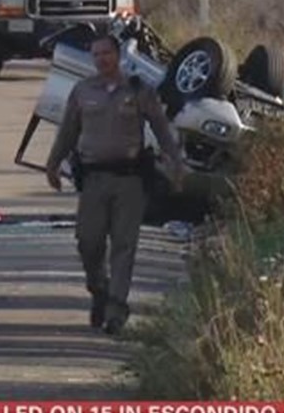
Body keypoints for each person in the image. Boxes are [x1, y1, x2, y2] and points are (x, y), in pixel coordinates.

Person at [45, 34, 185, 335]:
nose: (102, 59)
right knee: (88, 241)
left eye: (107, 53)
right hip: (94, 180)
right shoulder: (83, 91)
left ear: (118, 55)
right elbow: (68, 131)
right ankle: (99, 289)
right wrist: (53, 164)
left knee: (124, 246)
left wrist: (175, 162)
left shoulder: (138, 90)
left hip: (130, 181)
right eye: (96, 55)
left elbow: (161, 127)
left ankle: (116, 309)